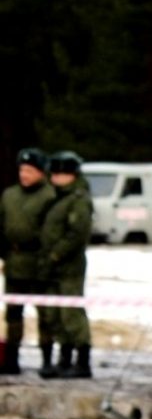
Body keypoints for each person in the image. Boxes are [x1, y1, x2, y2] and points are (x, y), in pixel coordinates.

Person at [37, 151, 94, 378]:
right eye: (54, 174)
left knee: (72, 314)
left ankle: (82, 361)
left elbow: (77, 233)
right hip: (52, 266)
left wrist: (56, 255)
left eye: (60, 174)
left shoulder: (78, 199)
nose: (55, 178)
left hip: (69, 266)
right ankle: (65, 358)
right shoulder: (57, 197)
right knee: (56, 315)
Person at [0, 147, 57, 375]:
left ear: (41, 173)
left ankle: (47, 358)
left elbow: (51, 231)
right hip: (14, 262)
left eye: (30, 171)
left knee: (45, 314)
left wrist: (46, 259)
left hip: (39, 263)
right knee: (13, 313)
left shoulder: (49, 196)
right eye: (22, 170)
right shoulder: (9, 195)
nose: (24, 175)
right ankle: (11, 358)